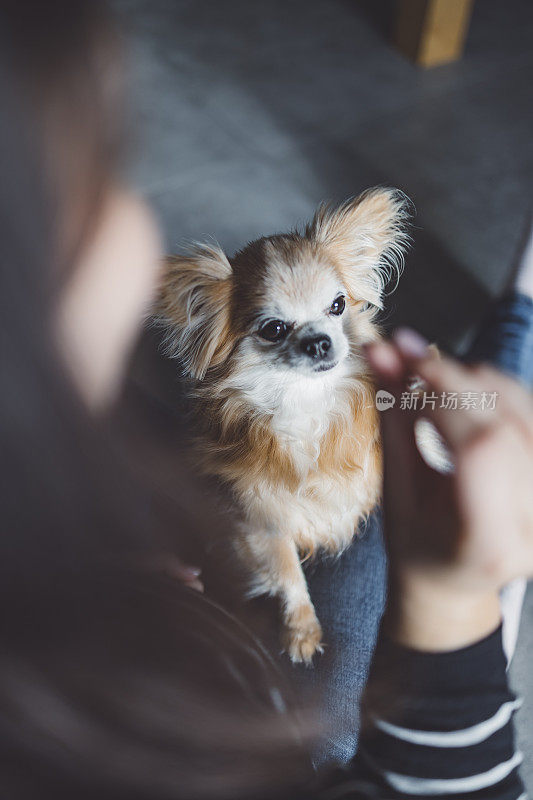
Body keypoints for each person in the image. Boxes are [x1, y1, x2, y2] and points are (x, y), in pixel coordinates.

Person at [0, 2, 531, 799]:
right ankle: (517, 327)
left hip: (185, 615)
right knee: (452, 441)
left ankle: (514, 325)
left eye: (334, 312)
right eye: (98, 171)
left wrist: (127, 580)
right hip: (266, 720)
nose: (137, 216)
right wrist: (454, 606)